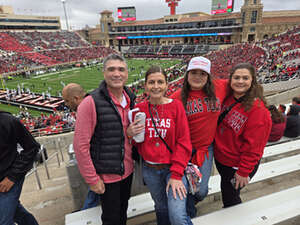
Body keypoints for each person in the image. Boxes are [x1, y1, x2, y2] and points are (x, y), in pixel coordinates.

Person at [73, 54, 136, 225]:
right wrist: (92, 179)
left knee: (123, 213)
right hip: (107, 176)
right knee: (111, 219)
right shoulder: (90, 102)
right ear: (104, 73)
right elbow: (80, 145)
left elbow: (119, 133)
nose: (117, 74)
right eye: (111, 69)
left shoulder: (130, 98)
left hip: (127, 170)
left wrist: (129, 134)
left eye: (121, 69)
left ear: (127, 74)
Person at [127, 65, 193, 225]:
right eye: (151, 82)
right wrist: (130, 134)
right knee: (161, 209)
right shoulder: (139, 109)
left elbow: (184, 142)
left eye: (159, 82)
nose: (155, 86)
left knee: (177, 216)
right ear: (145, 85)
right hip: (150, 170)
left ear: (166, 84)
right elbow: (138, 142)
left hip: (173, 169)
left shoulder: (176, 106)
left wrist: (177, 174)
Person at [171, 56, 228, 217]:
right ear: (187, 74)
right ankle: (189, 212)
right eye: (193, 72)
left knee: (201, 191)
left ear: (208, 76)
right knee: (186, 189)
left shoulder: (220, 87)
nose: (197, 76)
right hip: (183, 150)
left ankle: (191, 204)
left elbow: (244, 85)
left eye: (202, 73)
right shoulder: (176, 97)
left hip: (205, 149)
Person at [214, 63, 272, 208]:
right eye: (236, 77)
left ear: (252, 81)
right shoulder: (228, 98)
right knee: (226, 191)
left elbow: (255, 146)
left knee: (230, 199)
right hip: (223, 159)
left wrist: (243, 171)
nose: (240, 81)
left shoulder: (258, 110)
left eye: (245, 78)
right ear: (230, 80)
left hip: (237, 166)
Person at [62, 83, 100, 210]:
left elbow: (81, 145)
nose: (66, 104)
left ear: (76, 98)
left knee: (94, 195)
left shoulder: (85, 107)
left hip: (99, 162)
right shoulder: (94, 102)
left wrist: (91, 177)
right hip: (101, 160)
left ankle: (85, 214)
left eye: (67, 100)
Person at [0, 110, 40, 225]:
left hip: (9, 178)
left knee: (4, 221)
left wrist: (12, 177)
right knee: (17, 213)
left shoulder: (8, 121)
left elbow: (32, 148)